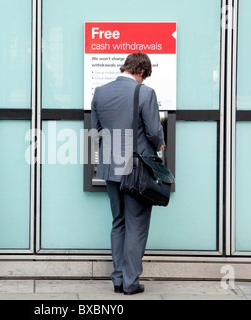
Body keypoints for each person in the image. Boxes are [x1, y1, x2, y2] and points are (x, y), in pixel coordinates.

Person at [91, 52, 165, 295]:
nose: (144, 81)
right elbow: (154, 131)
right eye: (145, 77)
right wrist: (160, 143)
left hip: (110, 168)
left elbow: (97, 129)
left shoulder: (100, 92)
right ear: (141, 71)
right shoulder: (145, 93)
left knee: (119, 221)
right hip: (135, 169)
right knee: (137, 225)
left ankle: (118, 279)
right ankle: (131, 282)